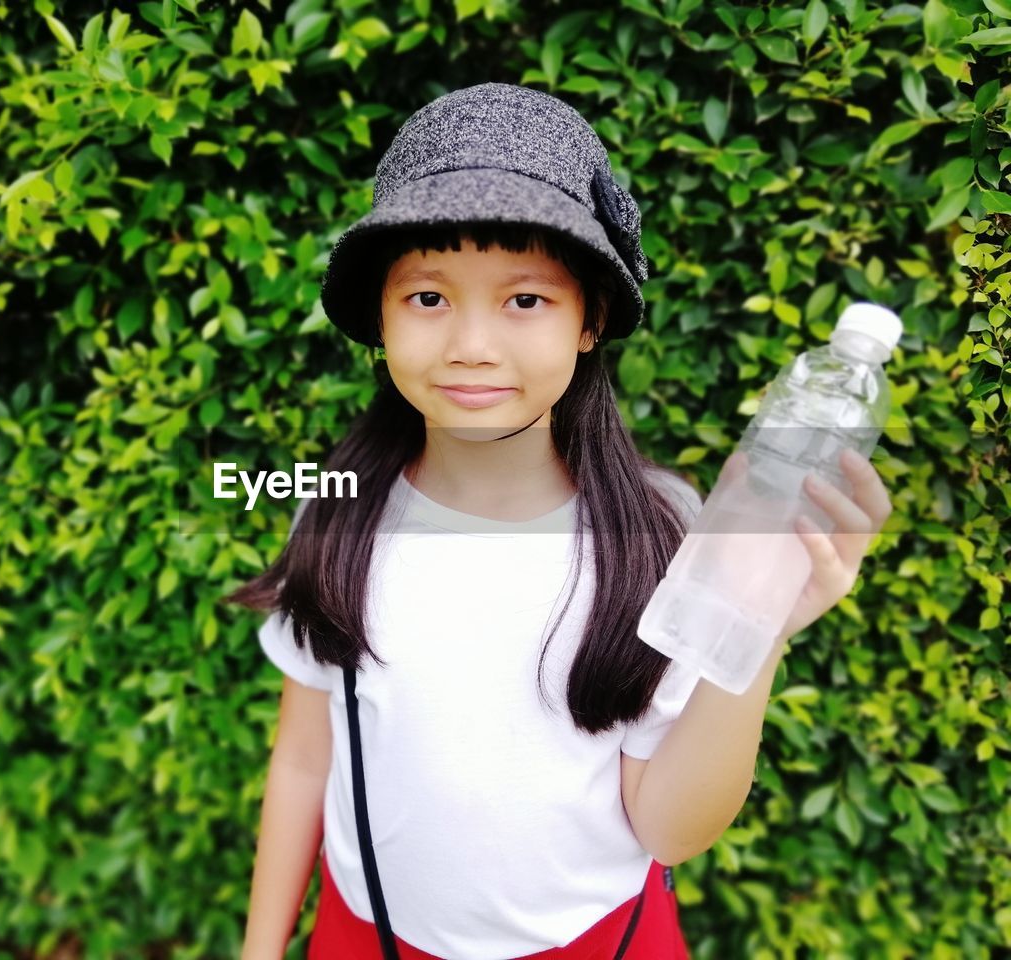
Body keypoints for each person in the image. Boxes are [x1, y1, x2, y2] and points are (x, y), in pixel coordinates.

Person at [232, 82, 893, 960]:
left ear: (592, 320)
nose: (471, 343)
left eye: (526, 300)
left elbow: (667, 826)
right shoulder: (339, 509)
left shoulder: (662, 532)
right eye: (427, 297)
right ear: (379, 320)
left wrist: (759, 627)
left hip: (598, 943)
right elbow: (305, 761)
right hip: (370, 935)